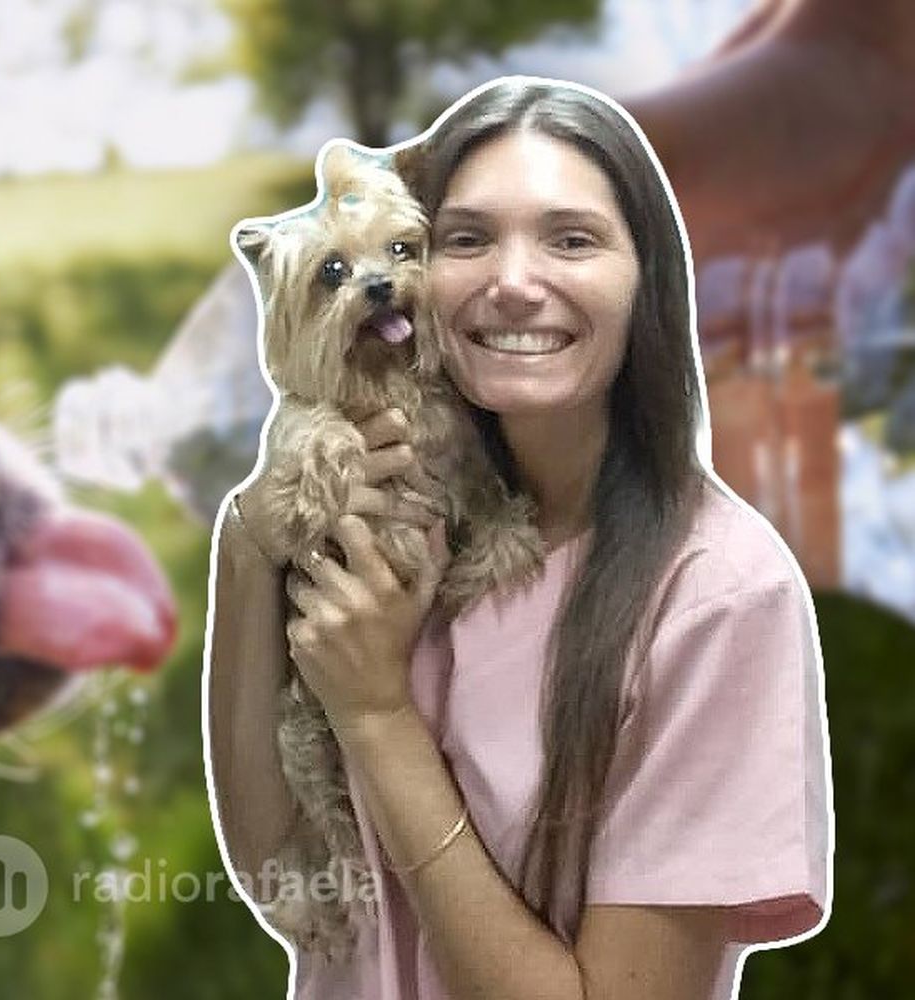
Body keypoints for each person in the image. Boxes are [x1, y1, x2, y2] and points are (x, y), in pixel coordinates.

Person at [206, 78, 831, 1000]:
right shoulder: (400, 521)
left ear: (647, 281)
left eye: (571, 239)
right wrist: (246, 545)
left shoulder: (719, 597)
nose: (511, 282)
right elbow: (285, 880)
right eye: (465, 239)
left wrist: (376, 715)